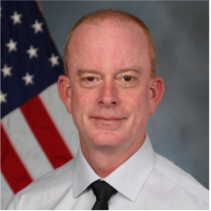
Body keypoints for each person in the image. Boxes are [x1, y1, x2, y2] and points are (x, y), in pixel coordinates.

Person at [6, 9, 211, 211]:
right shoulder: (26, 206)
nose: (107, 98)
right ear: (67, 94)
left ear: (152, 94)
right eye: (90, 79)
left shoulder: (197, 206)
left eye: (126, 78)